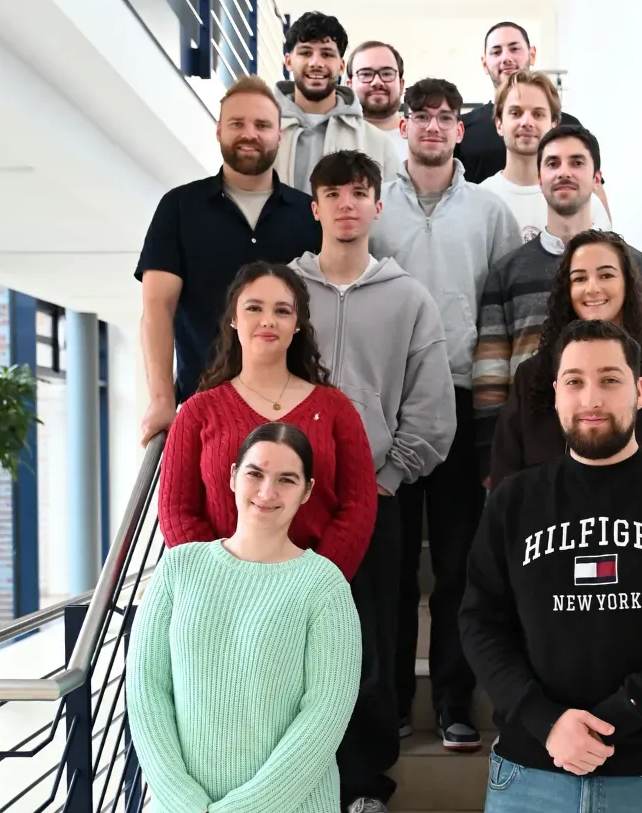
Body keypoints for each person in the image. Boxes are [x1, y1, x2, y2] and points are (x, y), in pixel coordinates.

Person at [460, 318, 642, 813]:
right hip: (530, 775)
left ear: (639, 391)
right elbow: (481, 624)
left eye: (610, 379)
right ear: (556, 394)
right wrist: (547, 722)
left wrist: (616, 717)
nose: (591, 398)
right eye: (575, 381)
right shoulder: (514, 502)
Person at [290, 150, 457, 813]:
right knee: (291, 640)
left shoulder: (408, 297)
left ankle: (362, 784)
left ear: (377, 207)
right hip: (287, 502)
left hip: (373, 497)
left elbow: (432, 405)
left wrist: (387, 477)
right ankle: (294, 778)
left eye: (359, 192)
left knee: (367, 638)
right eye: (333, 193)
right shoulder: (286, 290)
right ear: (315, 207)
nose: (347, 204)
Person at [369, 77, 522, 751]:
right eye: (420, 115)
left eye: (444, 117)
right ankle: (396, 702)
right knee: (395, 565)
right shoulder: (375, 205)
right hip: (391, 403)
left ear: (461, 130)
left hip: (463, 399)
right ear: (403, 126)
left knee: (459, 563)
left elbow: (504, 310)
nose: (432, 126)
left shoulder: (490, 212)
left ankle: (456, 701)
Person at [127, 422, 363, 813]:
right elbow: (146, 691)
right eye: (255, 474)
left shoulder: (324, 585)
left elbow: (325, 714)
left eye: (286, 480)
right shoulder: (178, 568)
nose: (267, 492)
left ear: (307, 491)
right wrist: (184, 802)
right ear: (233, 476)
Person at [157, 261, 378, 583]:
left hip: (311, 593)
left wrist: (314, 583)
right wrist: (221, 580)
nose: (268, 321)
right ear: (234, 318)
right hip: (220, 593)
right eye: (254, 308)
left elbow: (358, 506)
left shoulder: (335, 409)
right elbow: (177, 510)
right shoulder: (197, 412)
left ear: (297, 324)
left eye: (282, 311)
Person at [474, 128, 642, 484]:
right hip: (532, 455)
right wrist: (491, 460)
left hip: (625, 454)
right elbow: (490, 373)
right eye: (553, 163)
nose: (564, 171)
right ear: (539, 178)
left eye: (576, 162)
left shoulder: (633, 264)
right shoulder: (507, 271)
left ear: (596, 177)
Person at [135, 75, 320, 442]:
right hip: (203, 411)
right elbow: (157, 307)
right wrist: (161, 399)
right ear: (219, 131)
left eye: (262, 125)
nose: (249, 134)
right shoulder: (179, 208)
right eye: (237, 123)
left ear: (279, 135)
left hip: (294, 413)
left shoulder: (310, 214)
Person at [488, 229, 642, 489]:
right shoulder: (532, 374)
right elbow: (507, 477)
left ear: (627, 284)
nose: (592, 289)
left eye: (606, 275)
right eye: (579, 278)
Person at [456, 22, 607, 219]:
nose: (506, 58)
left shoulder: (570, 127)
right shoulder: (464, 129)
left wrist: (605, 230)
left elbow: (594, 189)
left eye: (514, 49)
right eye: (496, 51)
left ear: (532, 54)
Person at [275, 12, 400, 194]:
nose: (316, 63)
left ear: (341, 66)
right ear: (288, 62)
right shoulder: (264, 133)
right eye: (306, 53)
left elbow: (391, 206)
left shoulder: (377, 144)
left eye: (327, 54)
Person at [479, 70, 610, 241]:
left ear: (554, 124)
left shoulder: (588, 203)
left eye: (538, 114)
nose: (527, 122)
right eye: (516, 113)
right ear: (499, 124)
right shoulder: (480, 200)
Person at [347, 41, 408, 162]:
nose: (377, 82)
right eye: (365, 74)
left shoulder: (420, 142)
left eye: (387, 73)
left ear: (401, 85)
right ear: (349, 85)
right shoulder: (333, 137)